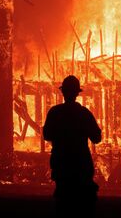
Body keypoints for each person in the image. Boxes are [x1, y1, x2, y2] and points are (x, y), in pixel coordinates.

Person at [43, 75, 102, 216]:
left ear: (63, 92)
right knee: (84, 207)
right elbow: (97, 138)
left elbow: (47, 135)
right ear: (77, 93)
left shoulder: (54, 113)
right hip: (81, 165)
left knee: (63, 205)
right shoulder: (84, 114)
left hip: (61, 165)